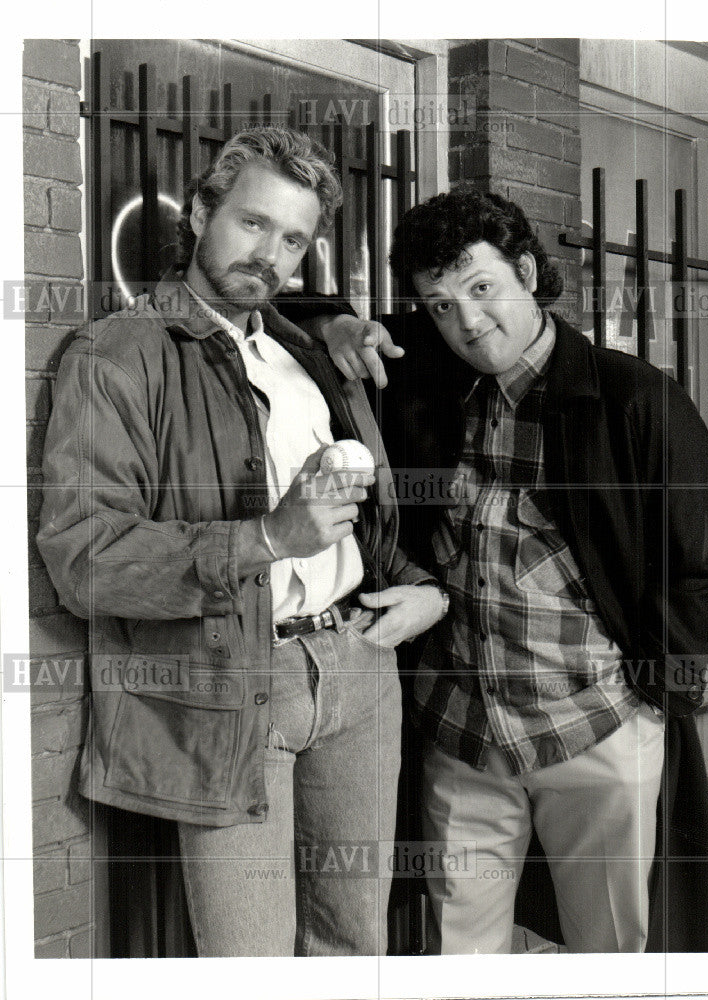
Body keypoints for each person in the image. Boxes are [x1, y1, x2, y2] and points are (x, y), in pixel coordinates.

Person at [36, 125, 446, 957]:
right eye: (252, 223)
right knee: (248, 961)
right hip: (230, 681)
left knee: (354, 947)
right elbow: (83, 556)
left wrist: (423, 589)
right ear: (197, 212)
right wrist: (264, 537)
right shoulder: (115, 357)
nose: (270, 253)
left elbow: (353, 515)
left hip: (361, 667)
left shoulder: (305, 351)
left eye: (293, 238)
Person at [310, 188, 708, 953]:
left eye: (482, 289)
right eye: (440, 306)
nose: (468, 323)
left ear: (528, 272)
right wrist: (337, 322)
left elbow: (698, 573)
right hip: (462, 733)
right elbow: (299, 319)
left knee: (611, 952)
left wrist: (654, 697)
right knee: (459, 954)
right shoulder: (424, 374)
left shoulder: (635, 400)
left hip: (594, 727)